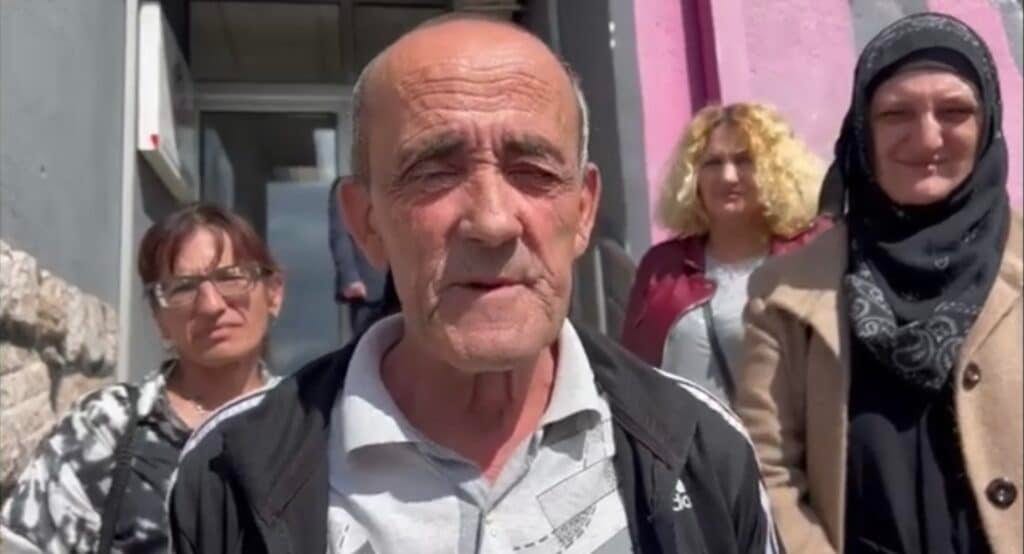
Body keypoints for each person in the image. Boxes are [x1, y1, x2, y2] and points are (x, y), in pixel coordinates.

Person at [167, 14, 781, 554]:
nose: (492, 221)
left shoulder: (701, 447)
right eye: (435, 173)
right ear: (366, 223)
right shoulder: (230, 472)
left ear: (584, 211)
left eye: (533, 170)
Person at [735, 13, 1022, 554]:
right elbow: (766, 470)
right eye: (895, 114)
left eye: (955, 111)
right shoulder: (786, 294)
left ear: (990, 122)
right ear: (862, 131)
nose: (928, 138)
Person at [0, 203, 284, 553]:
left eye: (230, 278)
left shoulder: (312, 426)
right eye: (183, 287)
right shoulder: (107, 427)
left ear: (274, 292)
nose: (211, 305)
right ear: (158, 317)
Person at [621, 102, 830, 404]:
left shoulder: (810, 255)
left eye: (744, 160)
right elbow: (630, 373)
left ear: (776, 171)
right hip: (678, 434)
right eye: (713, 163)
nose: (728, 176)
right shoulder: (661, 266)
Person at [328, 176, 386, 338]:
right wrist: (351, 278)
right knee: (366, 340)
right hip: (367, 289)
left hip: (400, 286)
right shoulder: (347, 185)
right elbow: (339, 236)